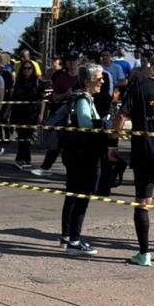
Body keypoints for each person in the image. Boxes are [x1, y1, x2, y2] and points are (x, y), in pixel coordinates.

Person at [112, 47, 154, 267]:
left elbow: (121, 115)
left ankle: (144, 254)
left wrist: (113, 141)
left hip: (146, 152)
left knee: (143, 202)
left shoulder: (139, 86)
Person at [60, 64, 108, 256]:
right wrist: (104, 123)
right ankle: (75, 240)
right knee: (81, 196)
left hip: (74, 153)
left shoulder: (82, 98)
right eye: (99, 77)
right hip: (83, 155)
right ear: (88, 81)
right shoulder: (83, 99)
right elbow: (86, 125)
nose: (102, 81)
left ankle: (67, 236)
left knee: (72, 194)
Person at [8, 59, 45, 169]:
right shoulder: (19, 82)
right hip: (18, 113)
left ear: (33, 69)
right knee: (21, 136)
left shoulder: (38, 82)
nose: (26, 71)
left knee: (26, 136)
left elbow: (43, 100)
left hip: (32, 113)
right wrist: (7, 112)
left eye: (29, 68)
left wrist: (41, 114)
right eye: (24, 68)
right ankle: (21, 159)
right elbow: (13, 98)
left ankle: (25, 159)